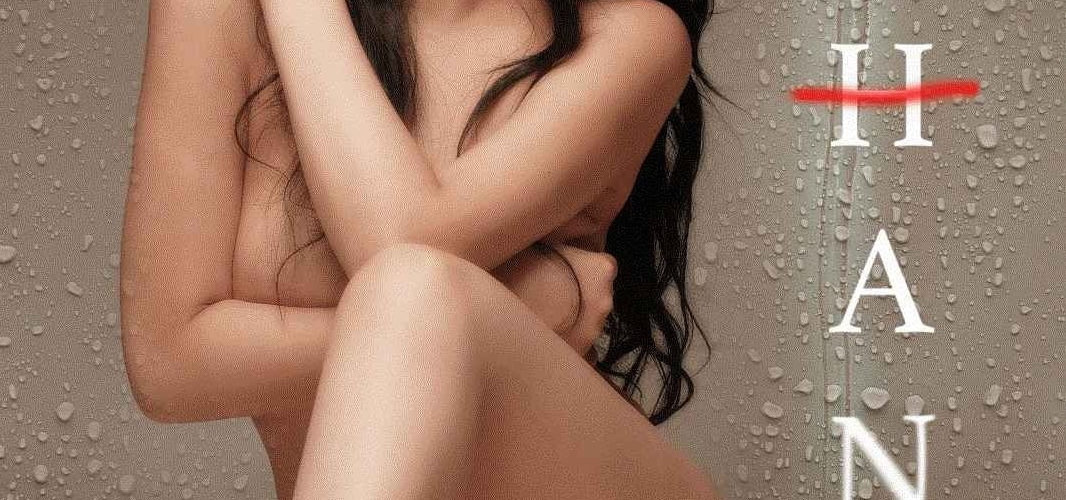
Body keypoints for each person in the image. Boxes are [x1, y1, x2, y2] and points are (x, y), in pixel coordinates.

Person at [120, 0, 718, 497]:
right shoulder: (219, 12)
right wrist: (492, 318)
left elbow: (393, 244)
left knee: (414, 288)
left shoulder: (629, 34)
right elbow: (170, 365)